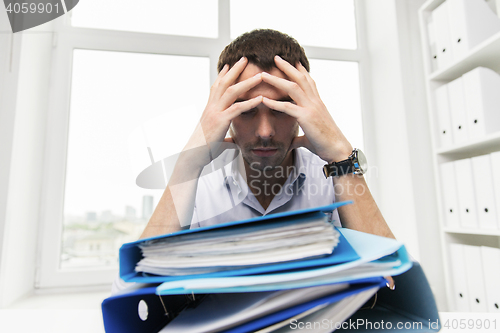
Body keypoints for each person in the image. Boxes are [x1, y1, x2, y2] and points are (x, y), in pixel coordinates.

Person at [139, 29, 395, 242]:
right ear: (223, 112)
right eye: (247, 110)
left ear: (304, 110)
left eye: (281, 109)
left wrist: (341, 154)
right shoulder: (197, 184)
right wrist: (188, 163)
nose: (265, 132)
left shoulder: (334, 177)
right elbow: (138, 293)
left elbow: (393, 285)